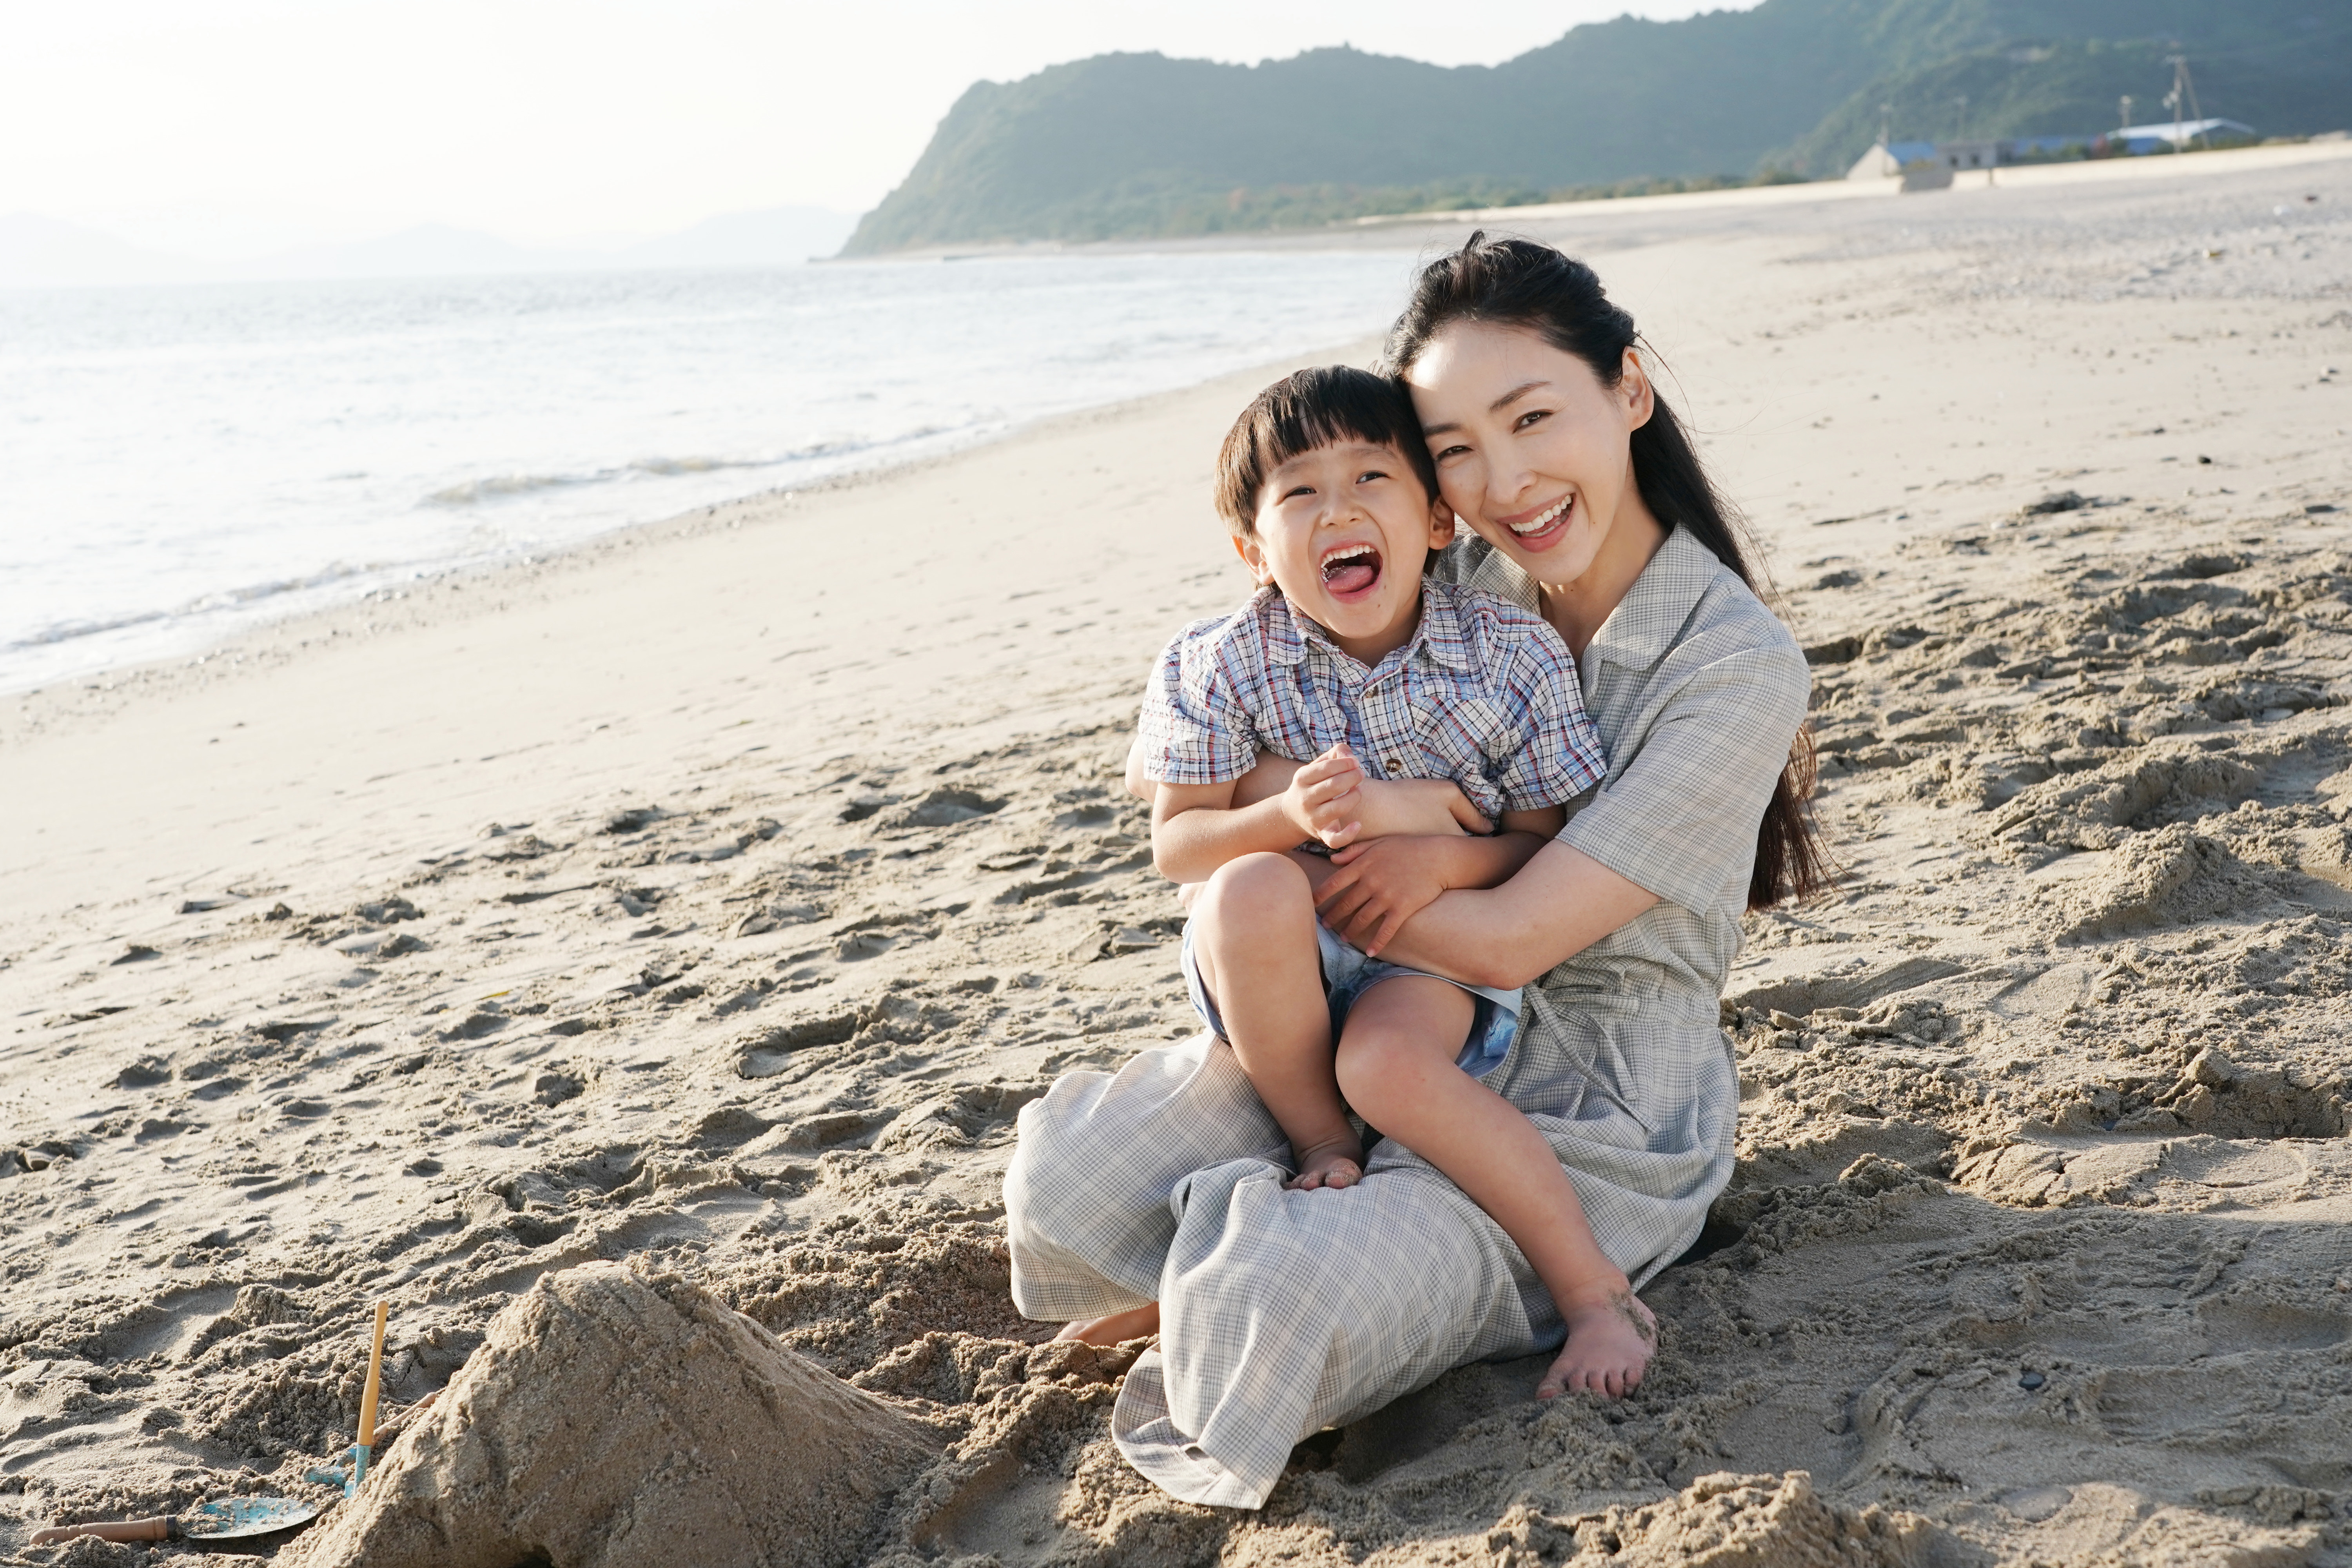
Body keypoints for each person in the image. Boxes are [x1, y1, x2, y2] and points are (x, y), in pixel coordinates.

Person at [1003, 233, 1827, 1510]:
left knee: (1281, 1305)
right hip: (1351, 1006)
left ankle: (1282, 1260)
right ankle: (1275, 1211)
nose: (1506, 482)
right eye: (1456, 447)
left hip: (1583, 1087)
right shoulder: (1445, 572)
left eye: (1532, 418)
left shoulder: (1734, 664)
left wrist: (1373, 855)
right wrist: (1307, 847)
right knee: (1067, 1181)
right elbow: (1242, 779)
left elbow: (1510, 937)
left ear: (1628, 390)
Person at [1138, 365, 1656, 1393]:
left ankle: (1596, 1293)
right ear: (1254, 550)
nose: (1338, 511)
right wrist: (1286, 816)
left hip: (1431, 950)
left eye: (1371, 478)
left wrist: (1440, 857)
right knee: (1247, 887)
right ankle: (1320, 1142)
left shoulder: (1509, 653)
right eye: (1300, 493)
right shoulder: (1219, 660)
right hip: (1274, 955)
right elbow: (1179, 845)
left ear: (1434, 520)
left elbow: (1543, 841)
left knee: (1386, 1066)